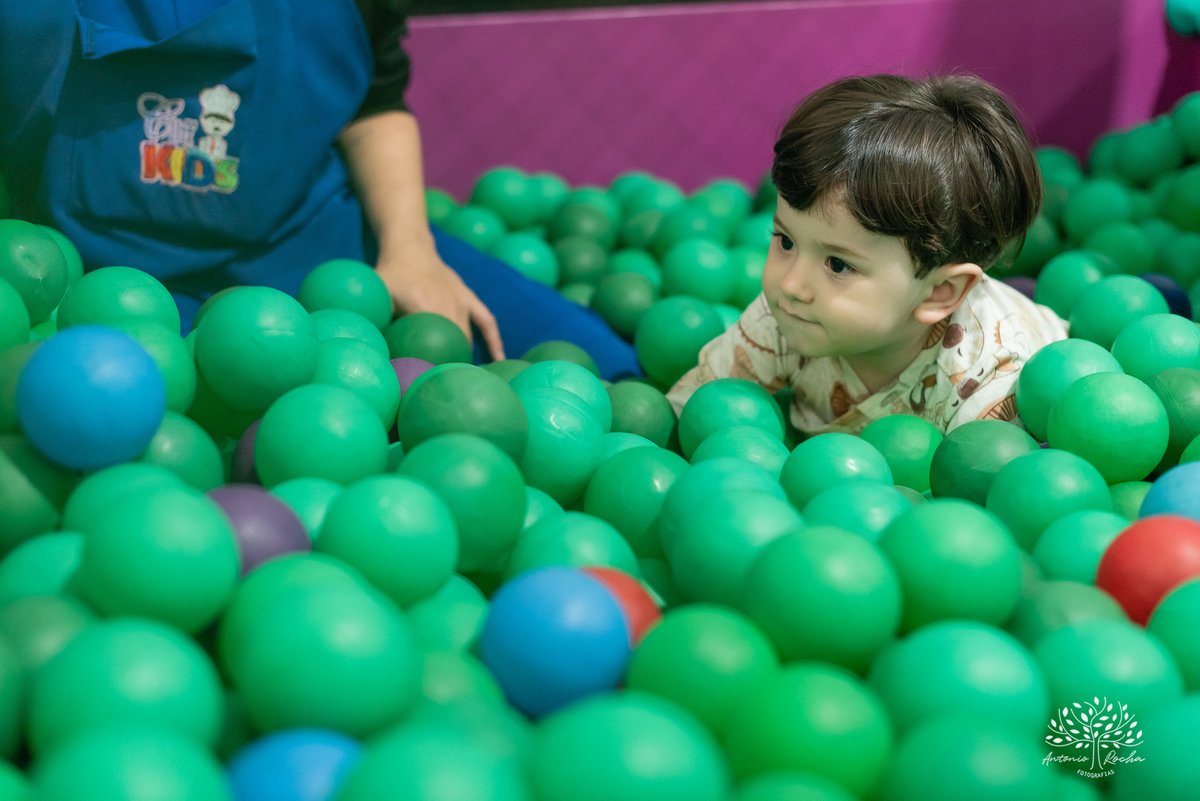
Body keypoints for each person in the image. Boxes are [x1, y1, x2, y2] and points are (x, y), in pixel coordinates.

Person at [0, 0, 641, 379]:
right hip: (106, 283)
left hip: (315, 246)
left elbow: (375, 97)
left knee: (600, 376)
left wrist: (409, 247)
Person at [667, 74, 1068, 435]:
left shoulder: (986, 379)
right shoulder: (788, 317)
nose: (790, 285)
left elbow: (978, 494)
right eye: (785, 241)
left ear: (938, 292)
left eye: (837, 264)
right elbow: (690, 410)